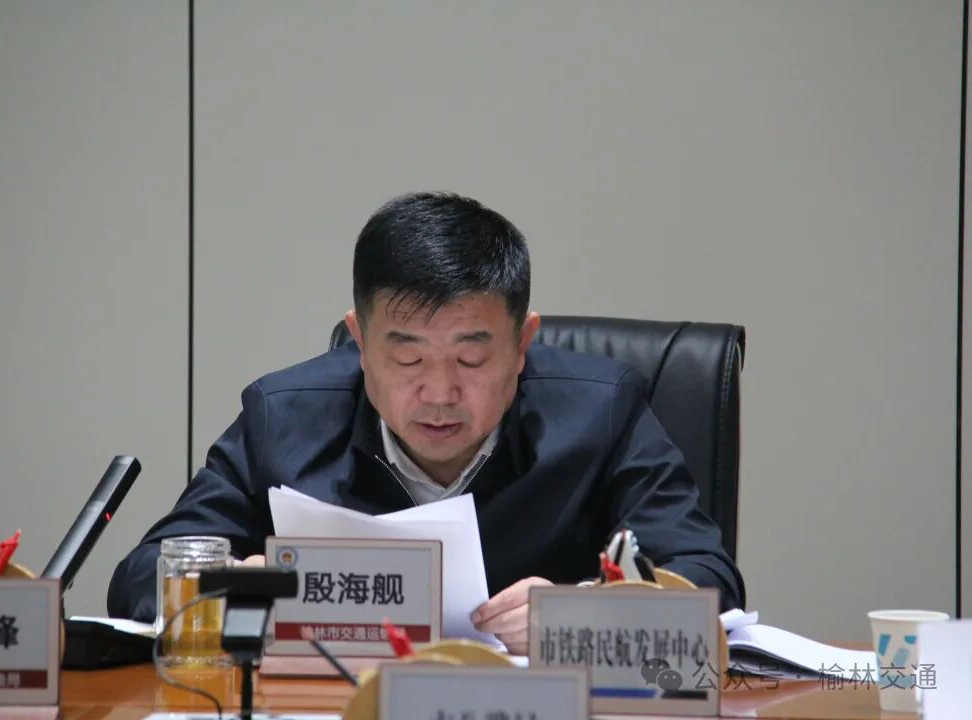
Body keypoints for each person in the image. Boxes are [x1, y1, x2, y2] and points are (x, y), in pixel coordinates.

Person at [108, 191, 745, 653]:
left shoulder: (601, 413)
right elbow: (140, 575)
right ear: (360, 341)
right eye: (408, 357)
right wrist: (225, 584)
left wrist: (579, 614)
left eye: (471, 358)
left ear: (523, 344)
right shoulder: (284, 416)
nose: (439, 393)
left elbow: (707, 576)